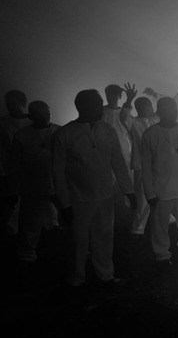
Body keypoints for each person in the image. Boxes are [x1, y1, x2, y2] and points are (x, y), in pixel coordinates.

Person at [52, 89, 137, 287]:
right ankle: (76, 279)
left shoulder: (107, 130)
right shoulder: (64, 134)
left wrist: (129, 191)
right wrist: (64, 203)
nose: (101, 108)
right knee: (78, 241)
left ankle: (105, 275)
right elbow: (57, 171)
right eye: (97, 104)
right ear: (82, 107)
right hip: (78, 199)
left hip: (105, 195)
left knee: (105, 237)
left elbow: (118, 163)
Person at [141, 97, 178, 267]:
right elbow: (145, 166)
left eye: (173, 109)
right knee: (159, 225)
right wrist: (149, 192)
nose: (171, 113)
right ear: (159, 112)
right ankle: (162, 255)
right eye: (166, 110)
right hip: (160, 189)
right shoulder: (150, 134)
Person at [10, 101, 59, 265]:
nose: (45, 116)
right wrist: (15, 188)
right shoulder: (22, 135)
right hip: (33, 185)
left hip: (59, 185)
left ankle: (70, 247)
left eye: (46, 112)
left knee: (68, 218)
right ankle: (27, 253)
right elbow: (15, 164)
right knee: (30, 221)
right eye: (40, 113)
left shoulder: (59, 132)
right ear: (31, 116)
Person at [125, 94, 160, 238]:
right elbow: (124, 117)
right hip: (142, 167)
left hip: (158, 165)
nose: (152, 108)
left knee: (162, 194)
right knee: (143, 199)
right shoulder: (133, 122)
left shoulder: (154, 119)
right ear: (142, 108)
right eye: (149, 106)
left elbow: (165, 108)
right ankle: (138, 228)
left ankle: (168, 219)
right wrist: (128, 100)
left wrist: (154, 95)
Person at [0, 90, 31, 234]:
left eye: (13, 103)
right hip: (10, 169)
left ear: (22, 104)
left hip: (32, 169)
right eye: (8, 103)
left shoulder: (31, 121)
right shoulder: (3, 123)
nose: (9, 106)